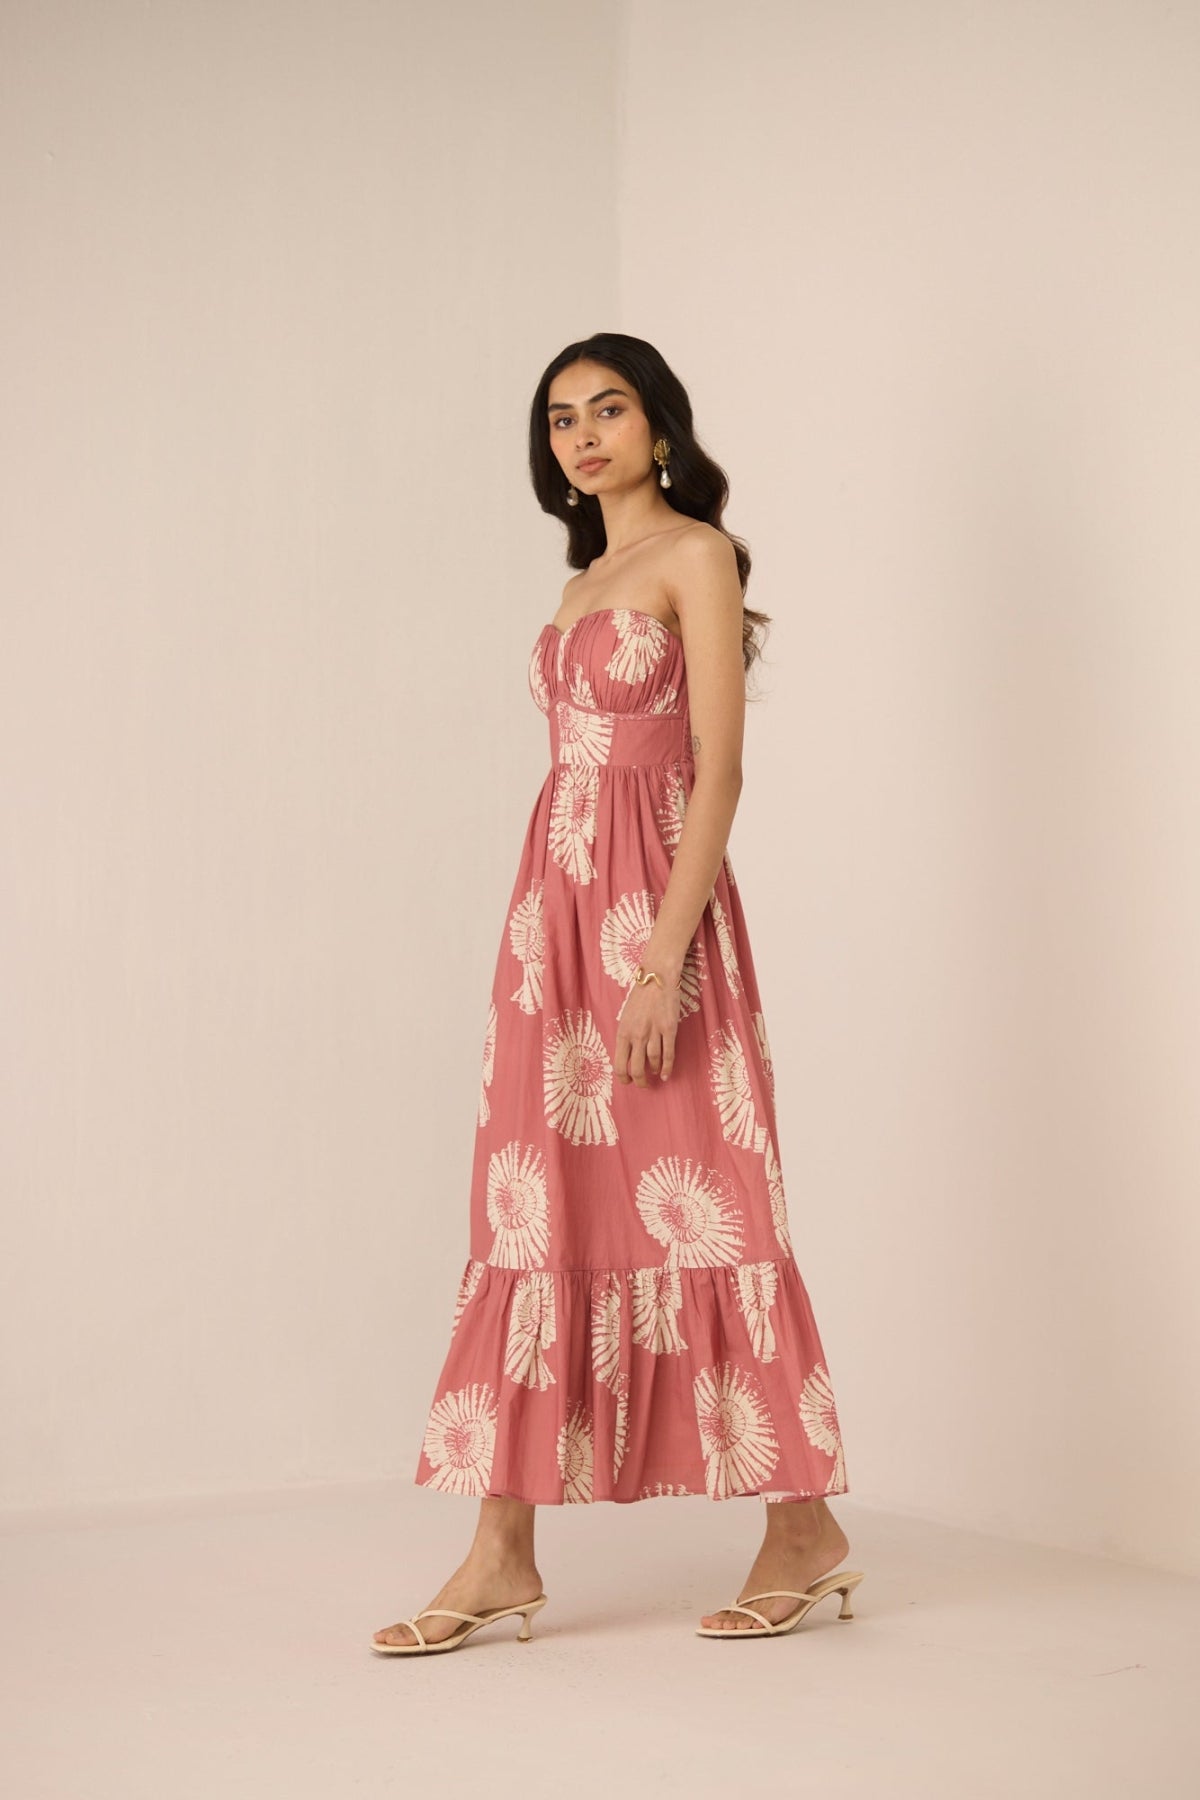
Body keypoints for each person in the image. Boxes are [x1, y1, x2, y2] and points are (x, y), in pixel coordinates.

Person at [372, 332, 863, 1655]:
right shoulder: (585, 576)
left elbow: (717, 774)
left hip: (658, 918)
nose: (581, 434)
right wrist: (567, 947)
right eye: (559, 418)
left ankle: (805, 1527)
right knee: (540, 1217)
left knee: (710, 1207)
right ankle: (499, 1553)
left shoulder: (698, 556)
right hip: (553, 926)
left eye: (609, 408)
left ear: (661, 429)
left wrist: (662, 962)